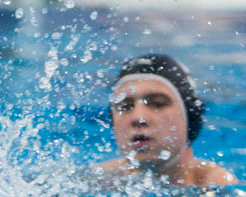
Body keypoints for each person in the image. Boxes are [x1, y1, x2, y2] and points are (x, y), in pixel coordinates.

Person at [98, 54, 236, 186]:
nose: (138, 118)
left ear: (190, 118)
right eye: (125, 106)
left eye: (158, 103)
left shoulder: (219, 188)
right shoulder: (93, 182)